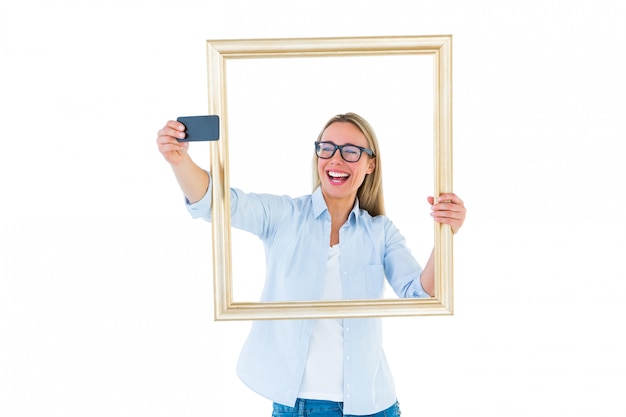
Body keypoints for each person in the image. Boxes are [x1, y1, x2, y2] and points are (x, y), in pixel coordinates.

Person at [157, 112, 466, 416]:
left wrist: (446, 234)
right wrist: (179, 161)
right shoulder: (284, 216)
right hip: (301, 406)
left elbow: (420, 294)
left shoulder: (380, 231)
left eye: (351, 151)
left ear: (371, 164)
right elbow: (218, 203)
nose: (336, 159)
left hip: (374, 406)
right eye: (327, 148)